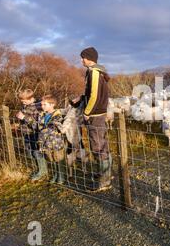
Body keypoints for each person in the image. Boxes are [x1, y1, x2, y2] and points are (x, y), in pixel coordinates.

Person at [73, 47, 111, 191]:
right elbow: (91, 93)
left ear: (89, 58)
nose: (81, 60)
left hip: (95, 114)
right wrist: (82, 98)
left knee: (98, 146)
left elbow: (95, 95)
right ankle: (105, 174)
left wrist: (87, 112)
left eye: (83, 57)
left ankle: (104, 181)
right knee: (102, 145)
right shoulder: (96, 71)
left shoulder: (94, 72)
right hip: (99, 112)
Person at [18, 95, 66, 184]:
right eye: (42, 104)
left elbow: (50, 128)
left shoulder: (57, 115)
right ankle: (56, 174)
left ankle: (61, 176)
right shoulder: (42, 115)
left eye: (44, 104)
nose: (42, 106)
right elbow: (36, 126)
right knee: (51, 158)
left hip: (55, 142)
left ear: (52, 105)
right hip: (46, 143)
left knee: (58, 158)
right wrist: (25, 118)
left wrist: (40, 133)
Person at [16, 89, 45, 181]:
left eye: (24, 101)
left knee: (37, 152)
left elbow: (37, 124)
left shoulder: (37, 107)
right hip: (26, 133)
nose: (23, 103)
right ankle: (39, 169)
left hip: (34, 133)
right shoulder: (26, 106)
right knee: (31, 152)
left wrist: (24, 117)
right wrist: (20, 117)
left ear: (30, 98)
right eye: (22, 102)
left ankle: (42, 171)